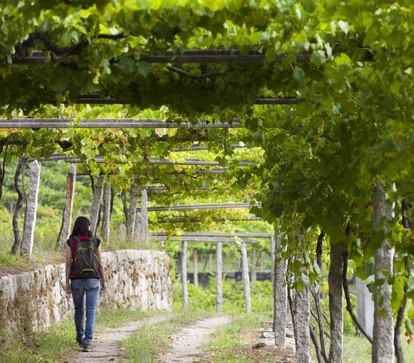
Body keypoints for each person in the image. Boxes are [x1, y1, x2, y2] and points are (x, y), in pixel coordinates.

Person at [65, 216, 106, 352]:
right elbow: (100, 263)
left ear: (76, 226)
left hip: (76, 280)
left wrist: (67, 282)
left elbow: (68, 264)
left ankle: (80, 336)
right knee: (91, 312)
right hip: (93, 280)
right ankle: (88, 341)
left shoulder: (71, 242)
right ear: (89, 227)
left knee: (79, 310)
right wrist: (104, 281)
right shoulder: (95, 241)